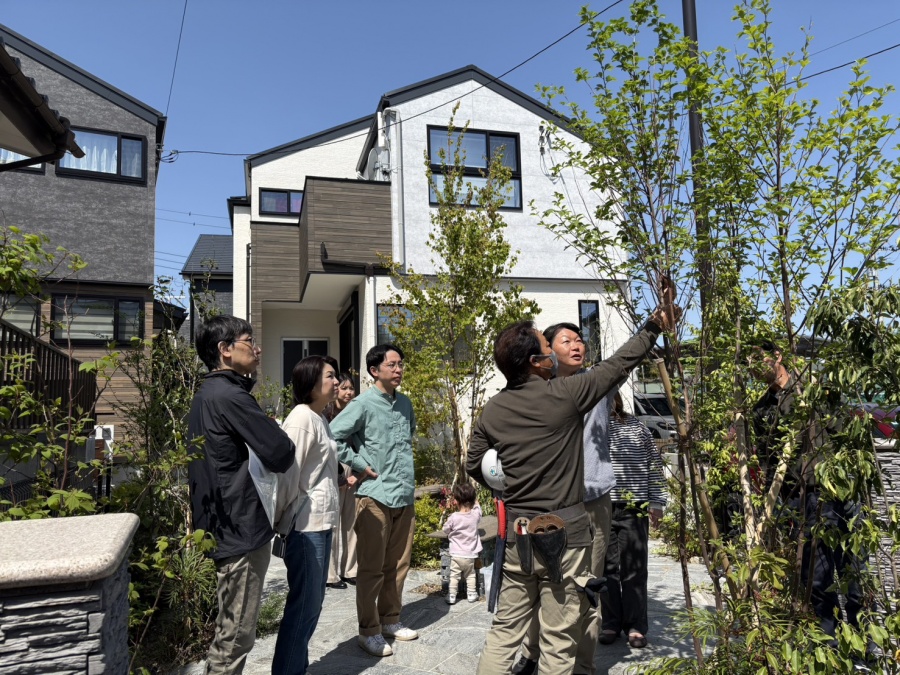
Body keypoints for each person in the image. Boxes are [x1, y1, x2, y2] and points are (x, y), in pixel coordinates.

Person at [467, 282, 679, 675]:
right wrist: (655, 325)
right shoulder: (565, 394)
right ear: (536, 361)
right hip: (566, 532)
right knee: (559, 637)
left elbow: (474, 463)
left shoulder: (493, 410)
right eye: (547, 348)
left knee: (504, 631)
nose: (555, 353)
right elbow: (620, 363)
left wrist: (509, 486)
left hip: (518, 532)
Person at [187, 315, 295, 675]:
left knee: (230, 630)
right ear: (226, 350)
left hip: (222, 523)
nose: (258, 349)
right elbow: (281, 452)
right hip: (240, 528)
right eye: (250, 341)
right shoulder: (231, 396)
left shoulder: (207, 394)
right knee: (234, 637)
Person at [513, 322, 616, 675]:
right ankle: (533, 653)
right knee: (545, 582)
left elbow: (625, 361)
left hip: (593, 500)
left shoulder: (599, 383)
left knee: (588, 585)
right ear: (547, 350)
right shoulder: (539, 388)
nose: (576, 345)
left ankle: (582, 665)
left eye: (579, 340)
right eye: (565, 340)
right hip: (551, 503)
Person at [329, 344, 417, 658]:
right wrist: (359, 463)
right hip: (374, 496)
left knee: (398, 565)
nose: (399, 369)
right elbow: (333, 435)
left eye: (400, 364)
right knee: (371, 568)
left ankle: (390, 619)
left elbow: (407, 439)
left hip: (404, 493)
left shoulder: (405, 403)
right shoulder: (362, 403)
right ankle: (369, 631)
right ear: (374, 370)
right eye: (392, 364)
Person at [271, 356, 341, 673]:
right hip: (305, 526)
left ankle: (295, 667)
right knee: (305, 606)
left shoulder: (319, 417)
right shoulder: (301, 418)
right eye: (330, 376)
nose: (337, 382)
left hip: (320, 522)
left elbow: (317, 470)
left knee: (311, 605)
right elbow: (287, 474)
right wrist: (281, 519)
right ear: (311, 382)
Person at [600, 390, 667, 649]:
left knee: (635, 568)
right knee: (606, 569)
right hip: (601, 507)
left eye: (608, 396)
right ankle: (610, 622)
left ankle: (636, 625)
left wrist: (657, 503)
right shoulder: (589, 429)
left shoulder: (637, 428)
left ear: (616, 398)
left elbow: (654, 465)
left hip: (634, 506)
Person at [324, 372, 360, 589]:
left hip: (354, 470)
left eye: (351, 388)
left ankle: (350, 570)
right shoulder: (327, 413)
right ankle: (330, 574)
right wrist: (339, 475)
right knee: (333, 522)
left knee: (351, 522)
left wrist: (358, 473)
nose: (348, 392)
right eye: (344, 388)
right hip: (332, 468)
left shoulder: (357, 411)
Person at [442, 482, 483, 604]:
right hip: (470, 554)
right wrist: (476, 503)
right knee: (470, 575)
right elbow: (479, 510)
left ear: (456, 501)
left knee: (454, 575)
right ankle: (471, 594)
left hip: (456, 554)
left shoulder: (454, 517)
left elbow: (445, 529)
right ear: (473, 500)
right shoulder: (475, 516)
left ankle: (452, 596)